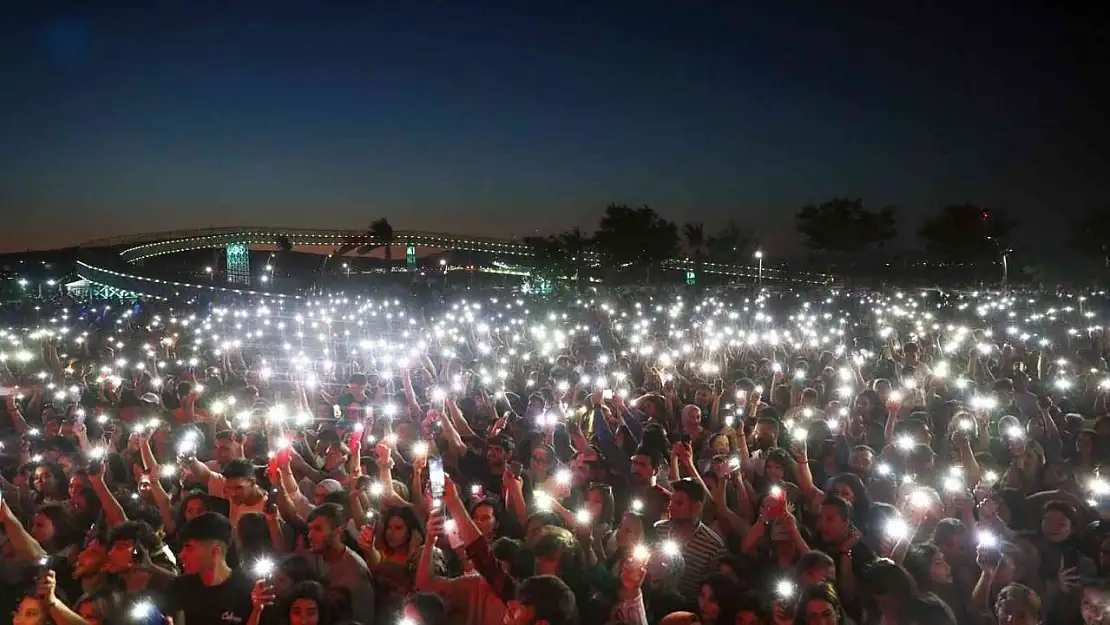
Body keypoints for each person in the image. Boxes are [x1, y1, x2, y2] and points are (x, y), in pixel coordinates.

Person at [164, 512, 254, 624]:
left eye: (189, 547)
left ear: (215, 552)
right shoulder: (179, 588)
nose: (181, 555)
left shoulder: (247, 592)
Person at [301, 503, 375, 624]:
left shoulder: (356, 572)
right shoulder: (307, 558)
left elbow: (364, 620)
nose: (310, 536)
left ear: (337, 531)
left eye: (317, 529)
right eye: (310, 529)